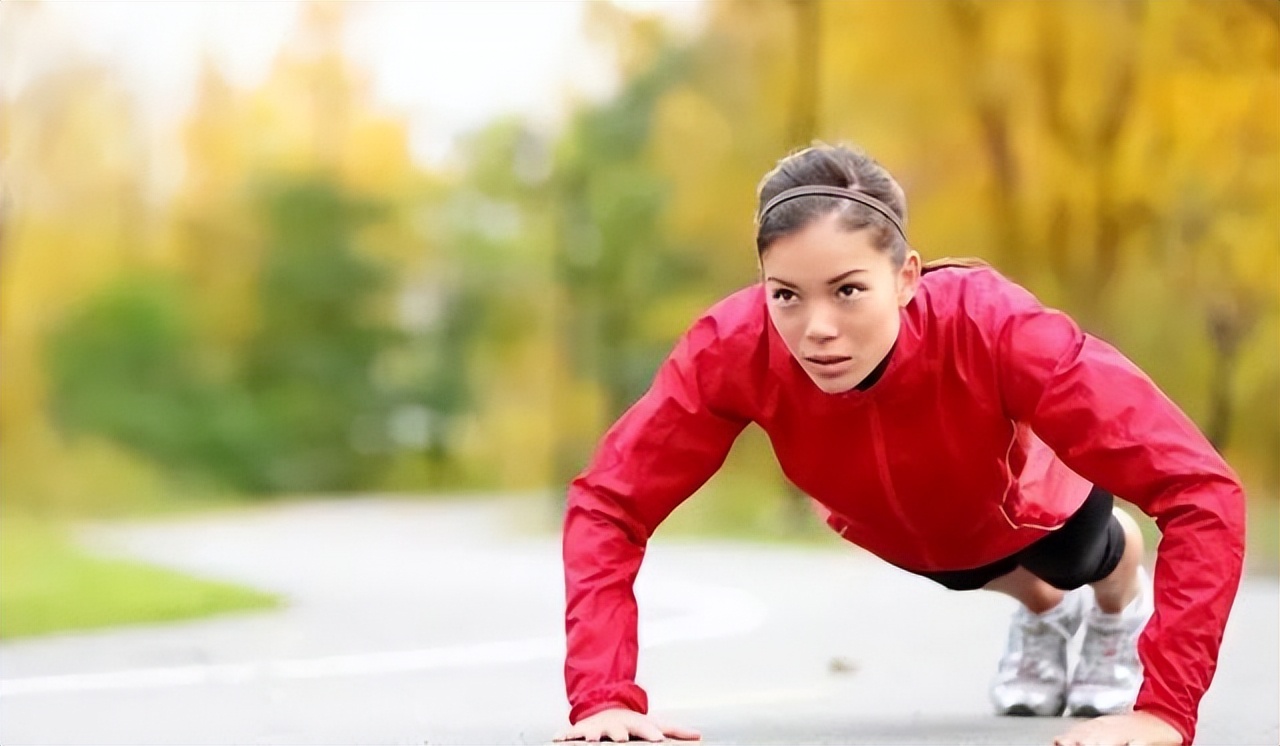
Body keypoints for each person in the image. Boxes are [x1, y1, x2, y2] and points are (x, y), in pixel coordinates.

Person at [554, 144, 1245, 746]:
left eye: (848, 290)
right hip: (903, 526)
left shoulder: (998, 328)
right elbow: (611, 502)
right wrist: (602, 696)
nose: (815, 328)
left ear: (907, 277)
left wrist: (1165, 708)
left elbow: (1200, 490)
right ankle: (1043, 618)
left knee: (1075, 561)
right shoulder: (732, 348)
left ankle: (1116, 602)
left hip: (1035, 505)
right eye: (786, 295)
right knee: (956, 566)